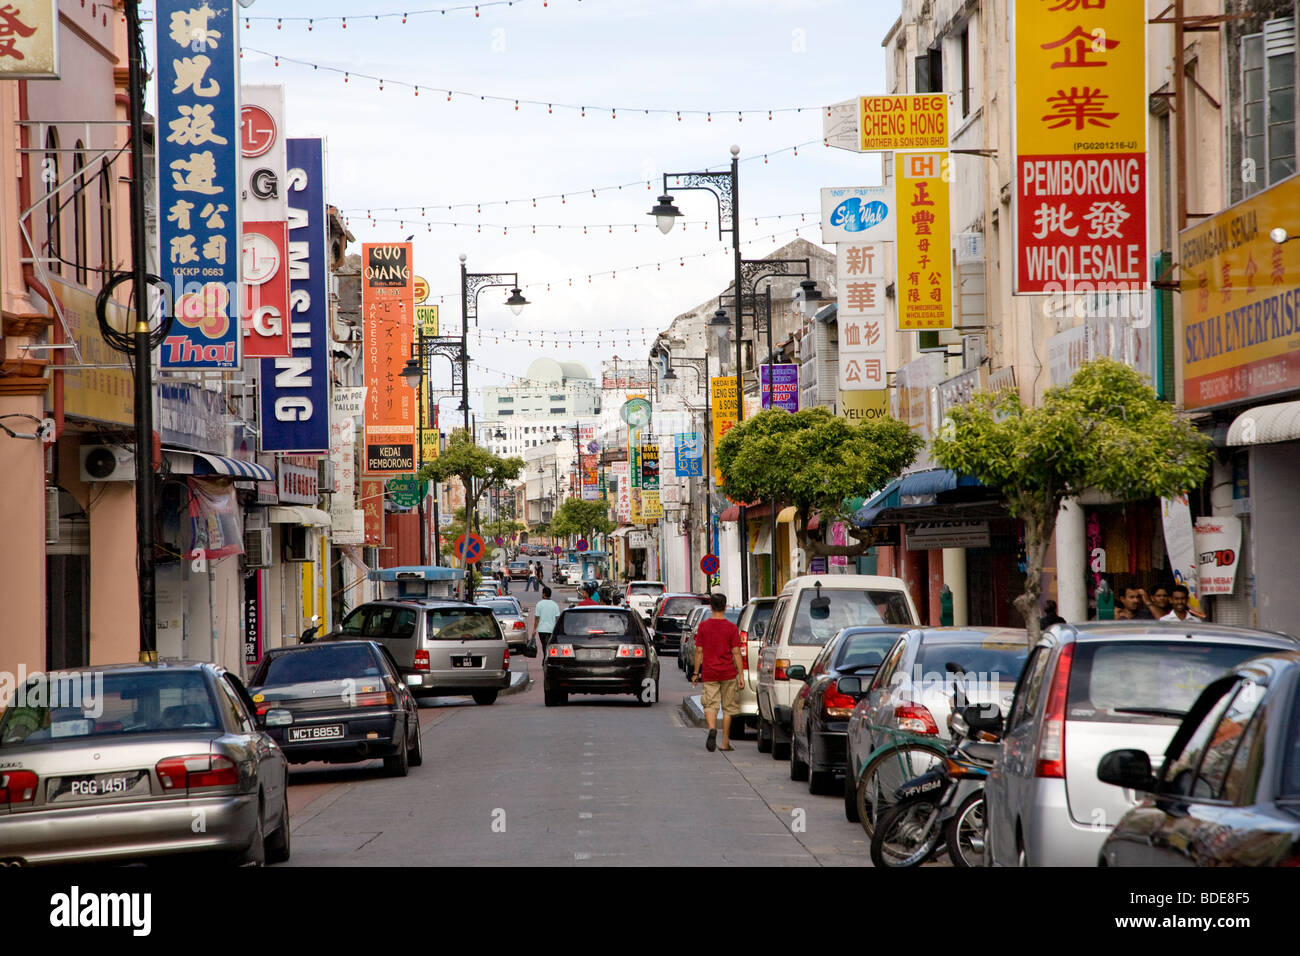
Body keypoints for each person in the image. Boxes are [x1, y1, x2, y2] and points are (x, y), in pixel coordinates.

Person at [692, 592, 744, 752]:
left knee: (710, 704)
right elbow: (736, 652)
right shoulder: (731, 627)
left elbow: (699, 651)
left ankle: (712, 728)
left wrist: (695, 672)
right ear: (726, 607)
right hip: (728, 672)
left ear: (710, 607)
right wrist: (741, 674)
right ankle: (725, 742)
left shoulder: (703, 626)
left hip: (709, 673)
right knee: (728, 708)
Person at [531, 586, 560, 656]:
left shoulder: (539, 604)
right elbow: (557, 618)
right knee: (550, 645)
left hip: (542, 630)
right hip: (552, 629)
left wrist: (534, 630)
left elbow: (537, 618)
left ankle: (545, 657)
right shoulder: (555, 605)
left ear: (544, 594)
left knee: (544, 645)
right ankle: (549, 657)